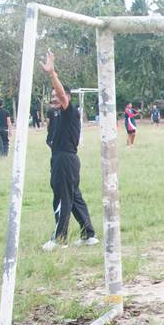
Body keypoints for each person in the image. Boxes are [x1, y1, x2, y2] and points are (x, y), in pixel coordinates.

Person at [40, 53, 98, 251]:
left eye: (58, 96)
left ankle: (59, 239)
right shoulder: (54, 115)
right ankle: (88, 235)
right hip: (60, 159)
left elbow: (62, 96)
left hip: (66, 159)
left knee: (62, 198)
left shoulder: (70, 111)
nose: (55, 99)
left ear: (66, 98)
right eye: (52, 97)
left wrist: (52, 74)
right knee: (74, 198)